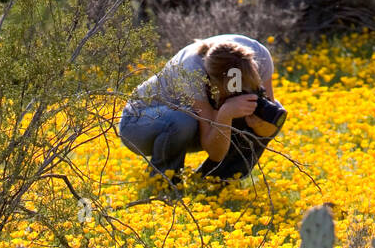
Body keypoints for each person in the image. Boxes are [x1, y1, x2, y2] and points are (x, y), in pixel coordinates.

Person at [117, 34, 286, 186]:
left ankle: (214, 182)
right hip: (139, 123)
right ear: (211, 81)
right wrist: (226, 113)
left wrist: (260, 125)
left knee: (273, 110)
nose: (238, 92)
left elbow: (270, 121)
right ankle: (164, 182)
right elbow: (215, 152)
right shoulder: (191, 70)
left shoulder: (260, 56)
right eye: (230, 91)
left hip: (191, 125)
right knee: (183, 120)